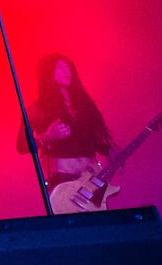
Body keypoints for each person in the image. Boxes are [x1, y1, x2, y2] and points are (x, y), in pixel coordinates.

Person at [15, 53, 114, 185]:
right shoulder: (37, 109)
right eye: (60, 68)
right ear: (48, 73)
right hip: (61, 181)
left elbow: (91, 139)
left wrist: (109, 150)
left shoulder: (82, 105)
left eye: (68, 68)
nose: (67, 71)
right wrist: (48, 136)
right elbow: (21, 146)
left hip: (90, 177)